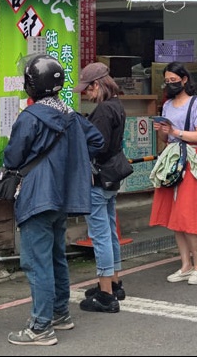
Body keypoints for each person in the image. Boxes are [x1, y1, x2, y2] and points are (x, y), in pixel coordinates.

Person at [4, 55, 103, 346]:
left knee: (37, 263)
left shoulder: (30, 117)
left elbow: (12, 157)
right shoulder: (71, 115)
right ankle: (60, 313)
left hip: (37, 196)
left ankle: (40, 327)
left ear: (32, 85)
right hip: (63, 197)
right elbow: (97, 141)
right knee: (57, 257)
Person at [150, 62, 197, 285]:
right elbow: (166, 140)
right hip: (172, 158)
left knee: (188, 212)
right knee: (175, 214)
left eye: (174, 81)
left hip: (191, 159)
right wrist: (164, 133)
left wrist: (174, 131)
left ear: (185, 80)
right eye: (167, 81)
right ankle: (185, 264)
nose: (170, 85)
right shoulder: (166, 105)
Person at [77, 62, 128, 313]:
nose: (86, 93)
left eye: (87, 89)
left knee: (100, 236)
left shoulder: (103, 112)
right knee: (109, 230)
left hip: (97, 177)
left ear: (97, 85)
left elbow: (97, 145)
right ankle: (115, 282)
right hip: (112, 176)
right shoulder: (117, 106)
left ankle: (106, 294)